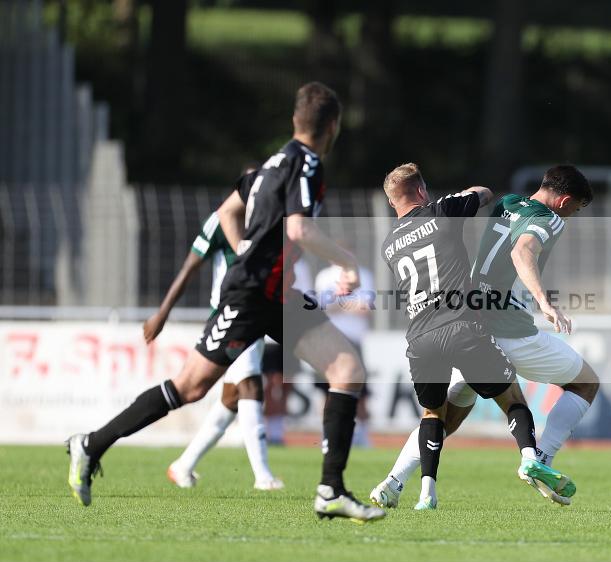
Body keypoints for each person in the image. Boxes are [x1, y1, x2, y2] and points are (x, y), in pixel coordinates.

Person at [66, 82, 385, 523]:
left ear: (295, 120)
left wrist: (244, 254)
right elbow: (299, 231)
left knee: (346, 368)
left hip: (277, 295)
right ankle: (91, 443)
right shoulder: (307, 165)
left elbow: (226, 213)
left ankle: (331, 489)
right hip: (252, 297)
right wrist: (347, 261)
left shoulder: (269, 165)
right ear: (334, 126)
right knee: (190, 387)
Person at [371, 165, 599, 507]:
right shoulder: (551, 219)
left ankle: (393, 481)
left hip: (471, 325)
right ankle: (541, 461)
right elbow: (522, 251)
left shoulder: (507, 202)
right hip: (510, 330)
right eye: (576, 209)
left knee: (443, 418)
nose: (572, 215)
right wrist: (544, 302)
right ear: (565, 201)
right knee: (586, 383)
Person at [142, 204, 284, 491]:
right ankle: (263, 476)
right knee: (250, 384)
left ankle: (184, 465)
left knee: (232, 398)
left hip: (257, 312)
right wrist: (163, 312)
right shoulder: (220, 221)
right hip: (229, 315)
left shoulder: (270, 223)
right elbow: (189, 267)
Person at [313, 257, 375, 447]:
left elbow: (366, 308)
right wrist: (350, 304)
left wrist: (339, 304)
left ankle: (361, 436)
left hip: (354, 340)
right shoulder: (324, 276)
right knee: (327, 391)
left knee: (360, 392)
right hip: (329, 339)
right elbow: (320, 307)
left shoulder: (363, 274)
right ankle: (328, 435)